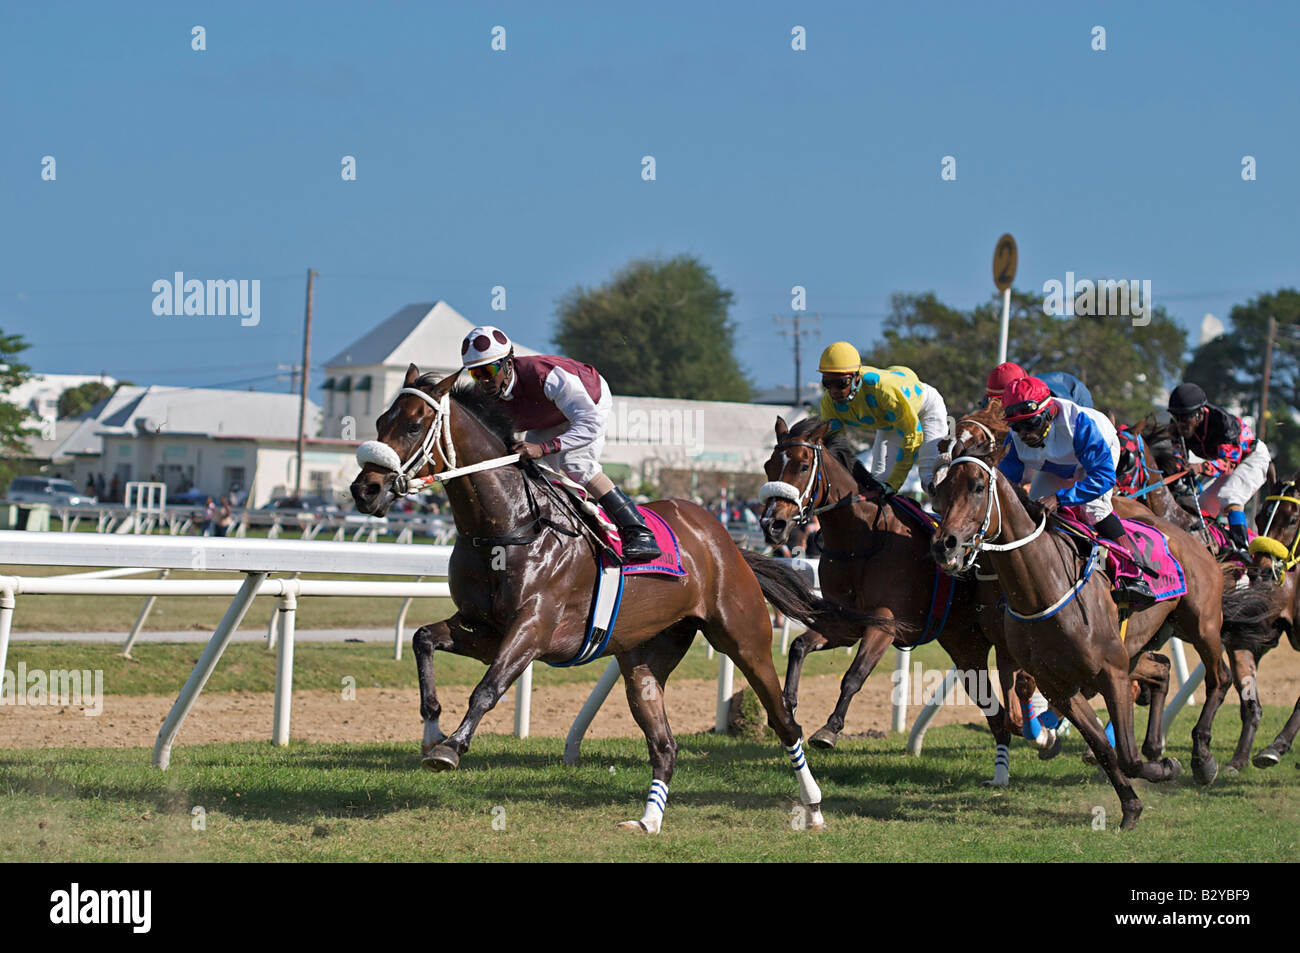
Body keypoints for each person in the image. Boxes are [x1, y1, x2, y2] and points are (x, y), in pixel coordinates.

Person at [460, 325, 660, 561]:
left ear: (508, 364)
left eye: (489, 370)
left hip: (588, 406)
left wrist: (542, 448)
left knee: (576, 465)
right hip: (546, 417)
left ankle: (638, 531)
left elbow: (590, 425)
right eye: (475, 374)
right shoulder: (480, 397)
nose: (484, 380)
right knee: (534, 471)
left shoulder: (547, 375)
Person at [998, 375, 1160, 599]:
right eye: (1016, 427)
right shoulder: (1015, 439)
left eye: (1030, 424)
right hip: (1057, 466)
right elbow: (1004, 483)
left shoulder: (1080, 424)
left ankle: (1135, 574)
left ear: (1048, 411)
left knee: (1093, 507)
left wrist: (1060, 498)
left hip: (1094, 461)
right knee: (1031, 511)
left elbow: (1103, 477)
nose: (1024, 433)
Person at [816, 342, 949, 496]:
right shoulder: (828, 403)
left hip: (925, 408)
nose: (833, 391)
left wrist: (894, 484)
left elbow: (912, 436)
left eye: (841, 383)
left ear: (856, 376)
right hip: (891, 421)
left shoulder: (885, 391)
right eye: (827, 383)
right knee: (879, 483)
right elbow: (836, 447)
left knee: (930, 481)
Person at [1167, 382, 1271, 552]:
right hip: (1223, 465)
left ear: (1200, 414)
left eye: (1185, 418)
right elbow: (1178, 456)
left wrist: (1200, 468)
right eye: (1176, 417)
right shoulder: (1176, 429)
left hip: (1251, 458)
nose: (1180, 424)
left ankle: (1242, 548)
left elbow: (1228, 463)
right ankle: (1218, 545)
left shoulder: (1223, 424)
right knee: (1201, 505)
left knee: (1230, 496)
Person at [986, 361, 1094, 409]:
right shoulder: (989, 401)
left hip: (1076, 399)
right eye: (996, 401)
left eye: (1002, 400)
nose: (1000, 405)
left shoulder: (1054, 400)